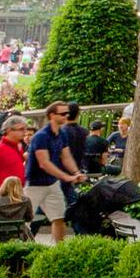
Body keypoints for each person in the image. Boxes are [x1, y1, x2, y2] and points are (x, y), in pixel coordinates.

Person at [27, 102, 85, 242]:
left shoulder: (62, 133)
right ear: (52, 115)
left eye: (68, 113)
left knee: (59, 217)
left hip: (52, 184)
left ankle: (60, 251)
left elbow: (66, 156)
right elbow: (44, 163)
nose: (67, 116)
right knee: (26, 221)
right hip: (34, 185)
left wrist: (76, 172)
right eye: (63, 114)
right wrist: (66, 177)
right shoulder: (41, 136)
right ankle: (23, 249)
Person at [0, 117, 27, 203]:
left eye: (25, 129)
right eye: (21, 129)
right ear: (9, 130)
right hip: (0, 194)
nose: (24, 132)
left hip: (15, 193)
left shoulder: (19, 146)